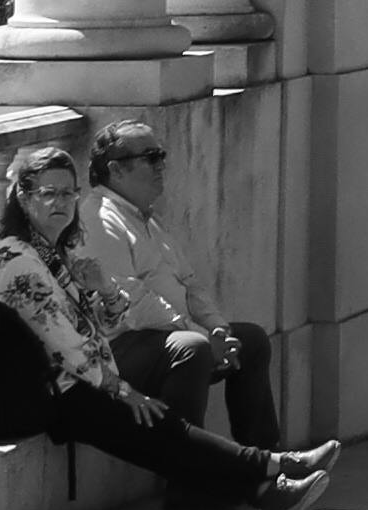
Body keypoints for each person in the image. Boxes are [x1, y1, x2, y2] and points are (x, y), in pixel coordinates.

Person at [0, 146, 331, 510]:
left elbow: (104, 327)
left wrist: (106, 290)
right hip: (22, 395)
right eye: (48, 193)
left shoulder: (56, 256)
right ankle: (274, 466)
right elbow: (65, 344)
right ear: (23, 198)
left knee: (158, 430)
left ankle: (267, 489)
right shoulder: (15, 259)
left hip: (66, 387)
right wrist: (122, 389)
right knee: (155, 426)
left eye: (68, 193)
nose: (60, 202)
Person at [83, 116, 278, 450]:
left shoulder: (146, 218)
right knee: (193, 349)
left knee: (251, 341)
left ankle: (264, 462)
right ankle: (189, 477)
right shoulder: (99, 218)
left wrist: (219, 329)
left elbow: (189, 284)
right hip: (119, 348)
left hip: (167, 336)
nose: (161, 165)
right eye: (150, 157)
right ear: (115, 170)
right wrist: (202, 336)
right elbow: (132, 303)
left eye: (161, 155)